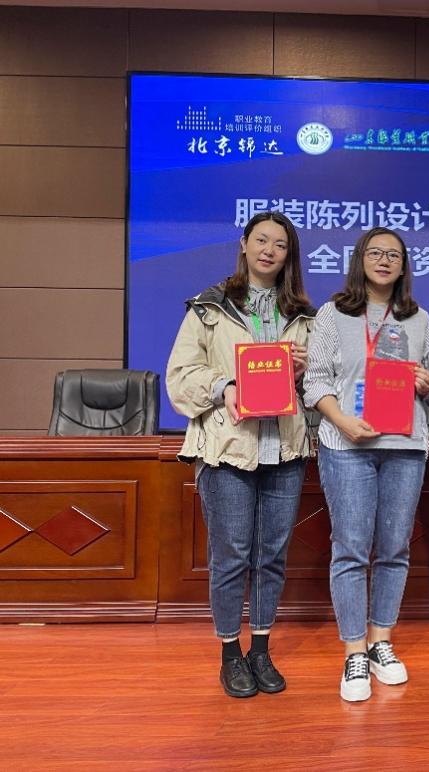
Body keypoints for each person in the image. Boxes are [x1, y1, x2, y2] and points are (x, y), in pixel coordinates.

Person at [166, 210, 315, 698]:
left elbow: (322, 388)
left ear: (289, 256)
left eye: (280, 244)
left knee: (272, 557)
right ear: (245, 245)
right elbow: (180, 376)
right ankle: (231, 653)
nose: (270, 250)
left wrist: (306, 371)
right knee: (231, 556)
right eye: (262, 240)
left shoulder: (304, 316)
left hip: (285, 449)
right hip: (228, 448)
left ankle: (261, 649)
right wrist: (224, 385)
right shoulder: (209, 308)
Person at [304, 227, 429, 703]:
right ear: (360, 259)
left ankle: (381, 641)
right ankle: (354, 650)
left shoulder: (418, 317)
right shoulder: (332, 314)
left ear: (403, 267)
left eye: (393, 255)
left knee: (395, 548)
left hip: (404, 444)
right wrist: (342, 421)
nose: (384, 261)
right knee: (351, 549)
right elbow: (315, 380)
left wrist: (427, 382)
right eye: (375, 253)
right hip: (347, 445)